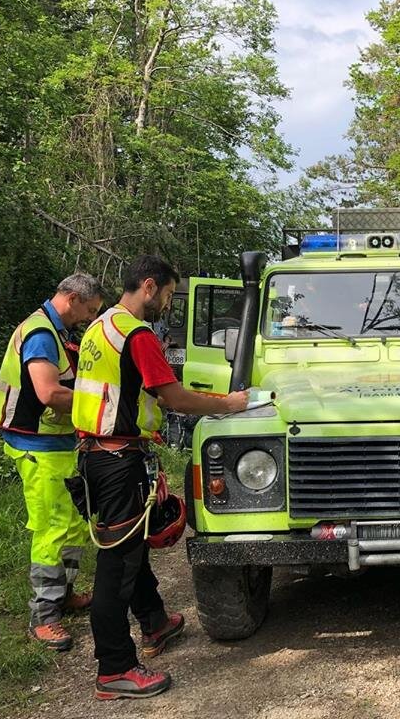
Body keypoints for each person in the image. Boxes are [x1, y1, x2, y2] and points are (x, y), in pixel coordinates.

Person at [71, 255, 249, 700]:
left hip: (97, 454)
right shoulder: (136, 333)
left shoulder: (99, 327)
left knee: (132, 548)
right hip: (117, 460)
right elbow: (172, 397)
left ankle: (155, 622)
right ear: (149, 287)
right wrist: (229, 404)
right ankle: (114, 669)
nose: (168, 306)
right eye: (168, 296)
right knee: (118, 565)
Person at [0, 273, 106, 650]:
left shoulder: (55, 331)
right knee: (52, 528)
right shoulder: (40, 334)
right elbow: (49, 392)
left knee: (71, 524)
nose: (88, 318)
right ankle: (44, 616)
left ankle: (63, 594)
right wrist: (103, 402)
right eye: (88, 310)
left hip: (55, 442)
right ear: (71, 298)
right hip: (37, 446)